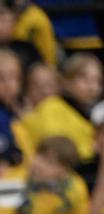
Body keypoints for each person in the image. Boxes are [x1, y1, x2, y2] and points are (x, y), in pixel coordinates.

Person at [22, 53, 103, 182]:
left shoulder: (91, 112)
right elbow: (55, 150)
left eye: (98, 81)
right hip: (62, 173)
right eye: (84, 79)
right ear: (65, 81)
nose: (92, 86)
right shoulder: (51, 106)